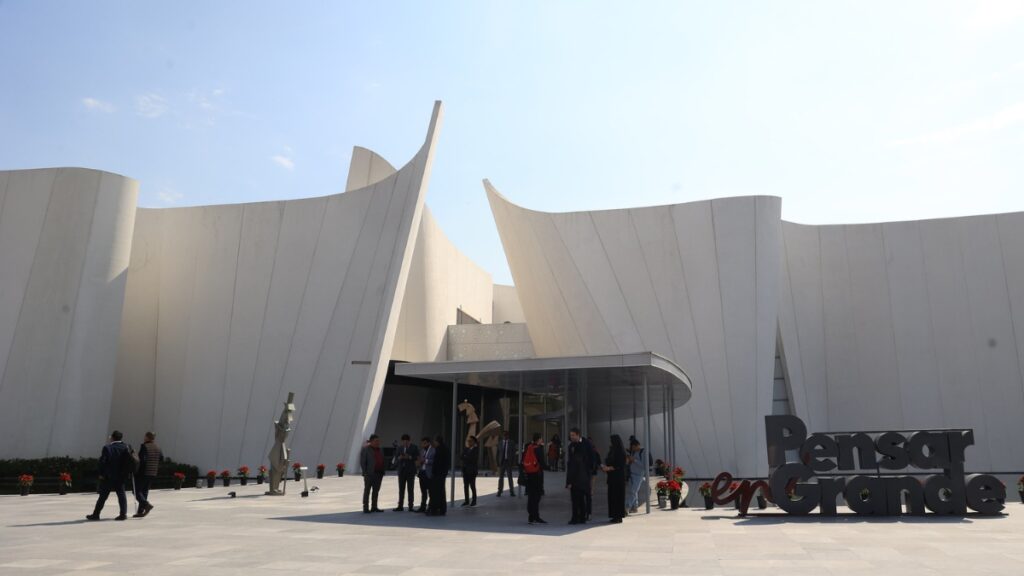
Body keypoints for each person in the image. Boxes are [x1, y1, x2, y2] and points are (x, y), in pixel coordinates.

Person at [86, 430, 131, 521]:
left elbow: (102, 462)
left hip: (109, 476)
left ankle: (96, 514)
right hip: (121, 476)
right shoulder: (126, 447)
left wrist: (101, 473)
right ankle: (123, 514)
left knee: (103, 496)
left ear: (113, 437)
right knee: (121, 495)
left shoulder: (107, 448)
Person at [565, 428, 592, 525]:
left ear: (578, 435)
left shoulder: (585, 444)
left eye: (573, 435)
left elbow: (590, 458)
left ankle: (581, 517)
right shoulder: (571, 445)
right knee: (576, 499)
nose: (571, 437)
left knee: (581, 498)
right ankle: (576, 517)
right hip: (576, 477)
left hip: (582, 476)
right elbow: (571, 464)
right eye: (571, 435)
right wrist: (569, 481)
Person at [133, 431, 162, 518]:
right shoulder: (158, 447)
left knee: (136, 491)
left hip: (144, 472)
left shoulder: (144, 446)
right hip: (153, 472)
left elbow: (142, 460)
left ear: (147, 437)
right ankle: (140, 511)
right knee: (144, 492)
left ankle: (146, 505)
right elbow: (161, 458)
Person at [602, 434, 627, 523]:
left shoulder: (621, 452)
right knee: (612, 497)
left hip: (618, 478)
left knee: (618, 497)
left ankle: (619, 516)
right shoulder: (612, 451)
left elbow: (620, 465)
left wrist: (609, 468)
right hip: (612, 478)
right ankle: (614, 515)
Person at [523, 433, 547, 524]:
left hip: (529, 475)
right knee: (537, 495)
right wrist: (549, 468)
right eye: (541, 439)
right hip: (537, 475)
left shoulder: (528, 447)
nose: (542, 440)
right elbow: (542, 463)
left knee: (531, 495)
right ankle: (535, 516)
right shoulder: (538, 449)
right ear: (539, 439)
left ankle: (531, 516)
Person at [393, 434, 419, 511]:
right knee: (401, 489)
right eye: (404, 441)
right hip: (401, 471)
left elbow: (417, 457)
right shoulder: (399, 448)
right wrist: (399, 457)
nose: (405, 443)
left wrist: (410, 457)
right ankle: (400, 506)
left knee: (410, 489)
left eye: (407, 442)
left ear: (409, 441)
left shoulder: (414, 447)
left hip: (410, 471)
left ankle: (410, 506)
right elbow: (395, 458)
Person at [360, 434, 385, 513]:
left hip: (379, 473)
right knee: (367, 491)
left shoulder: (380, 449)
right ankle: (366, 507)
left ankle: (374, 507)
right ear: (371, 441)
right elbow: (363, 462)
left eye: (378, 441)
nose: (378, 442)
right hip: (369, 474)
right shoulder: (366, 449)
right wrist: (365, 473)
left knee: (376, 491)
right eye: (376, 441)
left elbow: (383, 460)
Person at [427, 435, 450, 516]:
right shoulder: (444, 449)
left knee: (436, 492)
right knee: (441, 492)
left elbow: (438, 463)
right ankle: (441, 508)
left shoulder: (440, 450)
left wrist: (434, 472)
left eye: (436, 441)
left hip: (438, 474)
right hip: (442, 474)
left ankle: (435, 508)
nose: (435, 443)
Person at [627, 438, 647, 513]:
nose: (633, 449)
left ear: (637, 445)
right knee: (633, 491)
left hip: (639, 475)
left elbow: (644, 465)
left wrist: (634, 460)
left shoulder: (643, 452)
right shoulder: (634, 452)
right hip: (632, 473)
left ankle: (627, 506)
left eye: (634, 447)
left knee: (633, 491)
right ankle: (634, 507)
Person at [496, 431, 517, 497]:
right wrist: (497, 462)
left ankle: (512, 491)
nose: (505, 436)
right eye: (504, 435)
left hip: (508, 462)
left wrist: (513, 462)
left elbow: (514, 453)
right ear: (503, 436)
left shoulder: (512, 443)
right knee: (500, 477)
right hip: (502, 462)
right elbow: (497, 453)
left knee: (510, 477)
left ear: (508, 436)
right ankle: (499, 490)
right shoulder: (500, 443)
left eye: (506, 435)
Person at [415, 437, 433, 513]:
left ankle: (430, 506)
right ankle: (423, 506)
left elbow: (435, 461)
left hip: (429, 473)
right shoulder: (422, 451)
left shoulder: (433, 450)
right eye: (422, 443)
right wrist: (419, 462)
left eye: (424, 443)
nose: (423, 445)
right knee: (423, 491)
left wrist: (425, 460)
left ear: (429, 443)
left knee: (430, 491)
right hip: (422, 472)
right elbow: (420, 459)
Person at [461, 435, 479, 506]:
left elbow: (473, 459)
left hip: (472, 471)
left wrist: (466, 457)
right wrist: (466, 457)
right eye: (468, 441)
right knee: (465, 486)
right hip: (465, 470)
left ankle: (474, 500)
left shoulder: (476, 449)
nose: (468, 442)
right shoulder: (466, 449)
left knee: (472, 485)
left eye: (470, 441)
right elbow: (461, 456)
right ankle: (466, 500)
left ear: (474, 442)